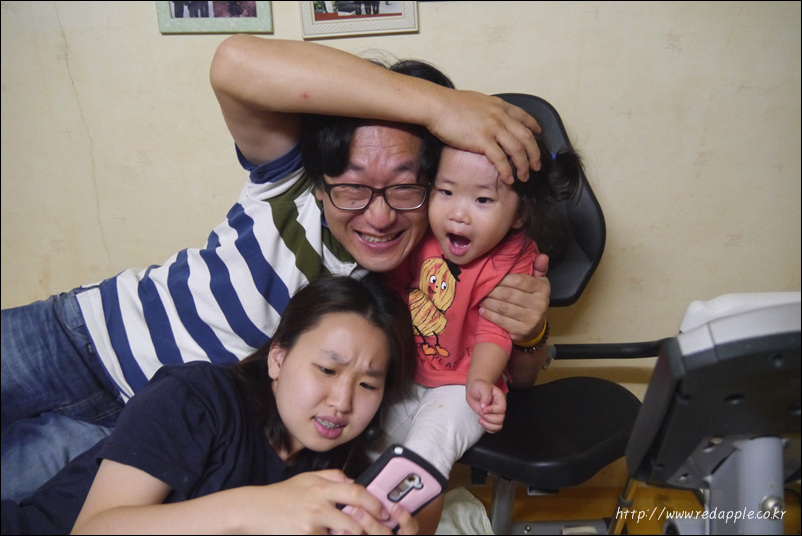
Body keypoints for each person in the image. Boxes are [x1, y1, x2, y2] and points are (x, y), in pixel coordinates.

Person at [1, 35, 549, 508]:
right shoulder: (292, 184)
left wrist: (529, 332)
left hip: (147, 427)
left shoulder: (430, 277)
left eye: (407, 187)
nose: (379, 215)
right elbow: (234, 64)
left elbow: (508, 378)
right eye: (353, 185)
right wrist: (440, 106)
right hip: (79, 335)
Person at [1, 275, 421, 535]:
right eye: (327, 370)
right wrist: (255, 508)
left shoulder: (335, 480)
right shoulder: (197, 397)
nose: (342, 402)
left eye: (368, 384)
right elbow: (94, 530)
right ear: (278, 359)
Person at [378, 139, 583, 496]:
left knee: (426, 452)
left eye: (483, 200)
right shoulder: (419, 234)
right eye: (446, 192)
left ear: (520, 214)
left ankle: (394, 514)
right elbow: (392, 295)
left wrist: (482, 381)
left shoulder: (516, 256)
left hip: (463, 384)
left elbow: (495, 328)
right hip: (406, 373)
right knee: (369, 447)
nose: (458, 213)